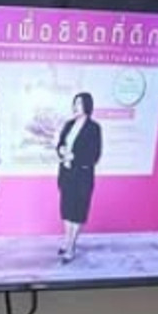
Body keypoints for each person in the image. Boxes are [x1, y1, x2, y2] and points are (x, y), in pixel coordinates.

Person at [56, 91, 103, 263]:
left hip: (82, 177)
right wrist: (61, 150)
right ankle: (67, 240)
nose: (75, 106)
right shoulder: (69, 124)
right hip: (66, 174)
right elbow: (60, 143)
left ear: (87, 106)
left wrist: (74, 157)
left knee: (78, 212)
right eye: (74, 103)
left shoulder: (94, 128)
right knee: (66, 210)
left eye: (79, 103)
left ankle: (71, 246)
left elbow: (94, 155)